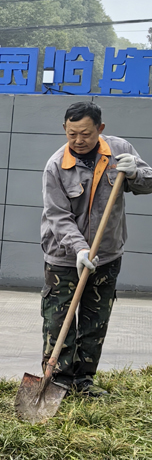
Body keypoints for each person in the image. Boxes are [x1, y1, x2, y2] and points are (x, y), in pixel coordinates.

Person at [40, 102, 152, 396]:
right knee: (58, 319)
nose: (78, 140)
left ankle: (83, 381)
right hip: (64, 257)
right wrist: (79, 249)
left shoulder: (119, 150)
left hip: (107, 254)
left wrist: (135, 174)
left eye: (86, 134)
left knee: (95, 319)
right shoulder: (56, 166)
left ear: (100, 129)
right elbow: (57, 216)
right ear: (64, 129)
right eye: (72, 133)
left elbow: (147, 184)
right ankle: (57, 382)